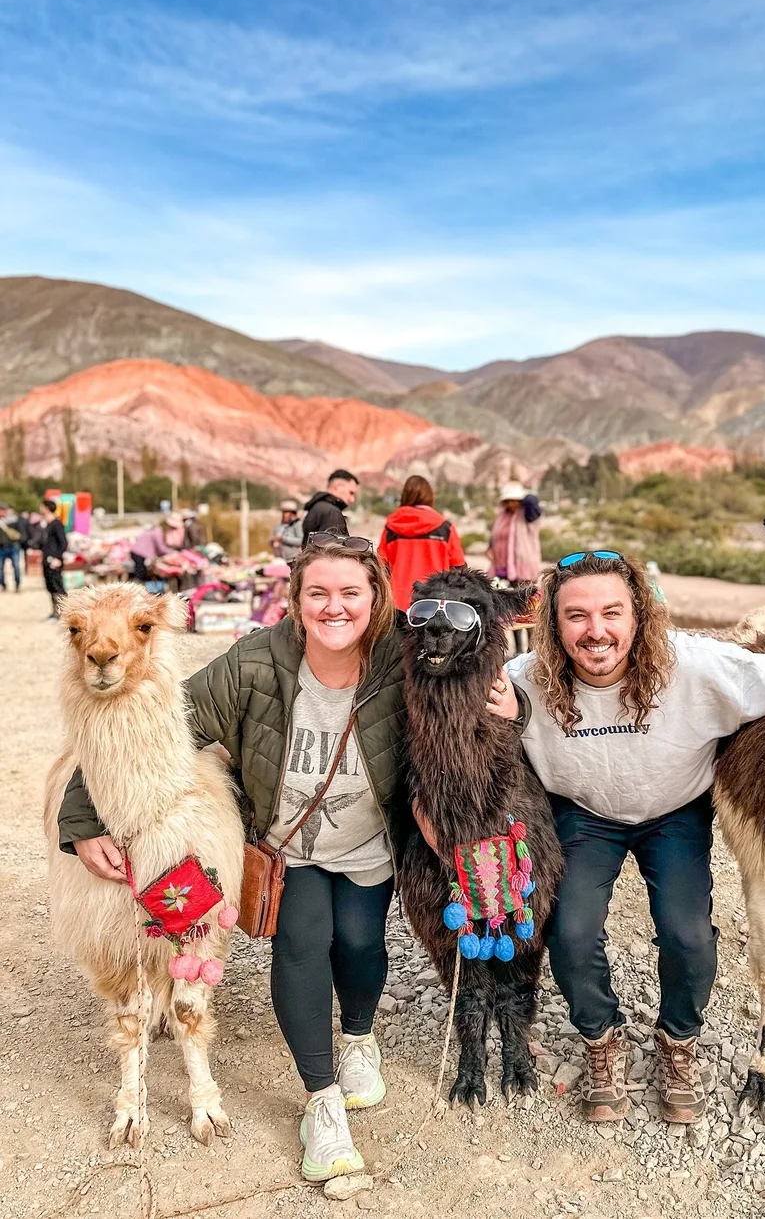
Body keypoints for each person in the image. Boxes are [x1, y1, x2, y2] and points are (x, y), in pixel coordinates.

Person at [58, 534, 511, 1181]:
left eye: (350, 593)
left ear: (375, 598)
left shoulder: (401, 657)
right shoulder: (254, 662)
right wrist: (79, 819)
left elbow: (471, 711)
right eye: (318, 593)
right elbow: (147, 730)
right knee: (302, 947)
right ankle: (321, 1103)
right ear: (295, 601)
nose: (334, 607)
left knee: (359, 944)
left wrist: (512, 713)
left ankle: (359, 1035)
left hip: (366, 845)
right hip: (287, 846)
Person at [492, 550, 765, 1125]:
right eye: (577, 616)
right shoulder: (523, 682)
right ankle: (601, 1040)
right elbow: (444, 716)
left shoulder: (699, 665)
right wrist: (503, 720)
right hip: (586, 814)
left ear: (639, 614)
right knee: (569, 929)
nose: (596, 631)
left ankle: (678, 1041)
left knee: (688, 935)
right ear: (553, 624)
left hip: (675, 811)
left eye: (612, 612)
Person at [377, 475, 465, 610]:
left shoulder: (391, 528)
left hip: (398, 604)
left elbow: (381, 567)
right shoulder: (445, 527)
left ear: (405, 495)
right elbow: (460, 568)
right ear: (429, 496)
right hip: (436, 603)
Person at [487, 480, 543, 585]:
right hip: (502, 566)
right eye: (507, 501)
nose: (510, 504)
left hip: (523, 566)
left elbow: (531, 500)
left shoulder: (528, 513)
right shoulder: (503, 515)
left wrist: (522, 492)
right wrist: (490, 546)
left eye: (514, 500)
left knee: (524, 597)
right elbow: (496, 533)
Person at [302, 469, 359, 547]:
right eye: (351, 493)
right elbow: (334, 554)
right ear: (338, 487)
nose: (352, 500)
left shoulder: (317, 506)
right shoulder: (332, 513)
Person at [39, 498, 68, 619]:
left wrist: (57, 558)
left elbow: (63, 543)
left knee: (58, 587)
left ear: (46, 508)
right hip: (46, 560)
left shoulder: (57, 524)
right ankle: (55, 612)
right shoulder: (47, 524)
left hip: (54, 562)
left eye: (42, 506)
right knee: (50, 587)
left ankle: (64, 613)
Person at [129, 516, 178, 583]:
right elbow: (160, 547)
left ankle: (138, 586)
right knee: (141, 573)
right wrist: (172, 552)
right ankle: (137, 588)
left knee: (141, 571)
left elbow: (157, 548)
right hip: (140, 553)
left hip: (136, 551)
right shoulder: (158, 531)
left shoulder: (155, 530)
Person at [0, 504, 23, 592]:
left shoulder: (13, 520)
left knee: (16, 567)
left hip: (13, 546)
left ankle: (17, 584)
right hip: (1, 547)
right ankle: (3, 584)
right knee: (0, 569)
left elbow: (20, 533)